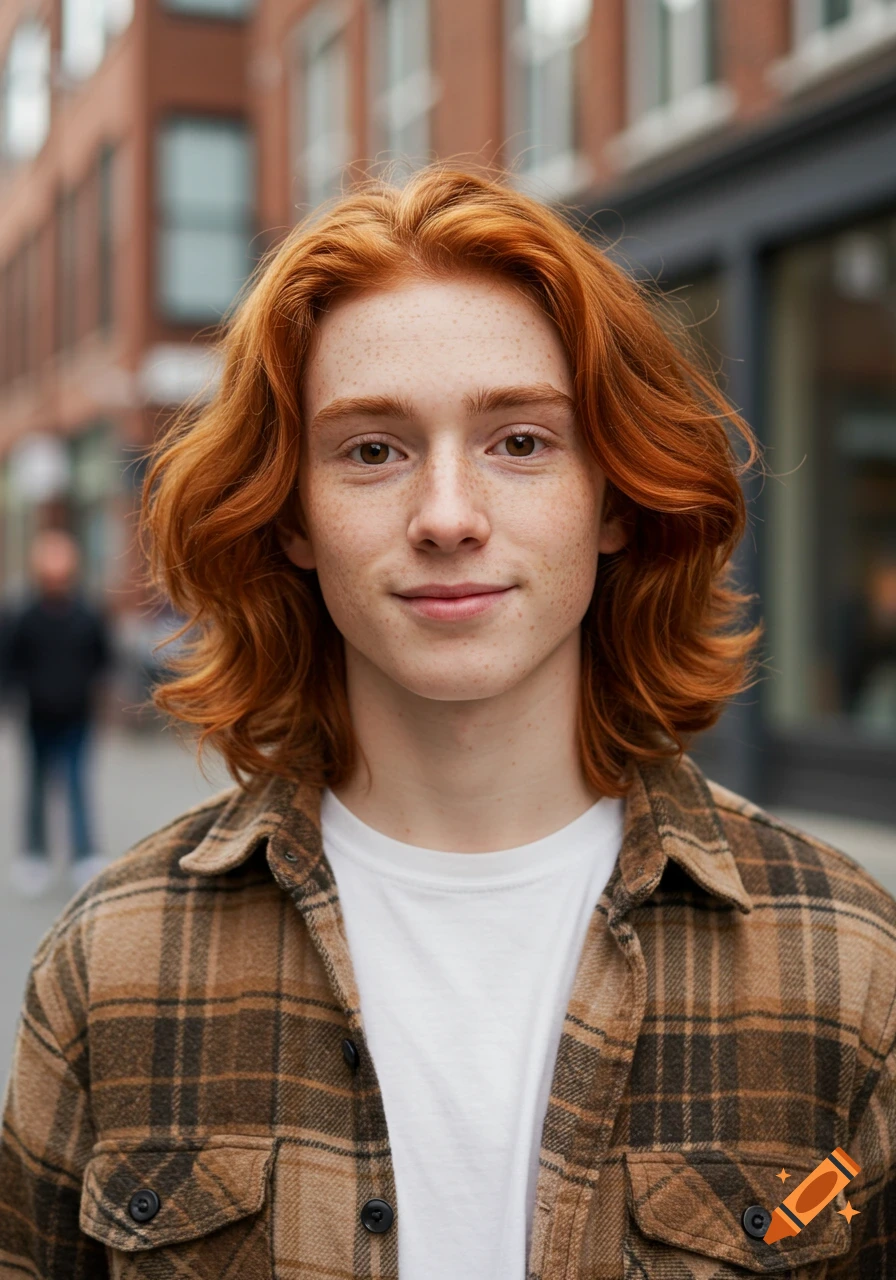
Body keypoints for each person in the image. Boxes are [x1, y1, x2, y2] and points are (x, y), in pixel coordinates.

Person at [0, 164, 893, 1278]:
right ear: (292, 520)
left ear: (611, 497)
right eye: (371, 449)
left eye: (519, 441)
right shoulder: (113, 963)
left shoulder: (847, 966)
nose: (446, 516)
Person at [2, 527, 112, 897]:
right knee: (34, 788)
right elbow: (10, 662)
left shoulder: (86, 613)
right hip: (36, 718)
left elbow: (101, 658)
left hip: (77, 717)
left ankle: (84, 853)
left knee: (78, 784)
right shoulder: (24, 615)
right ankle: (34, 855)